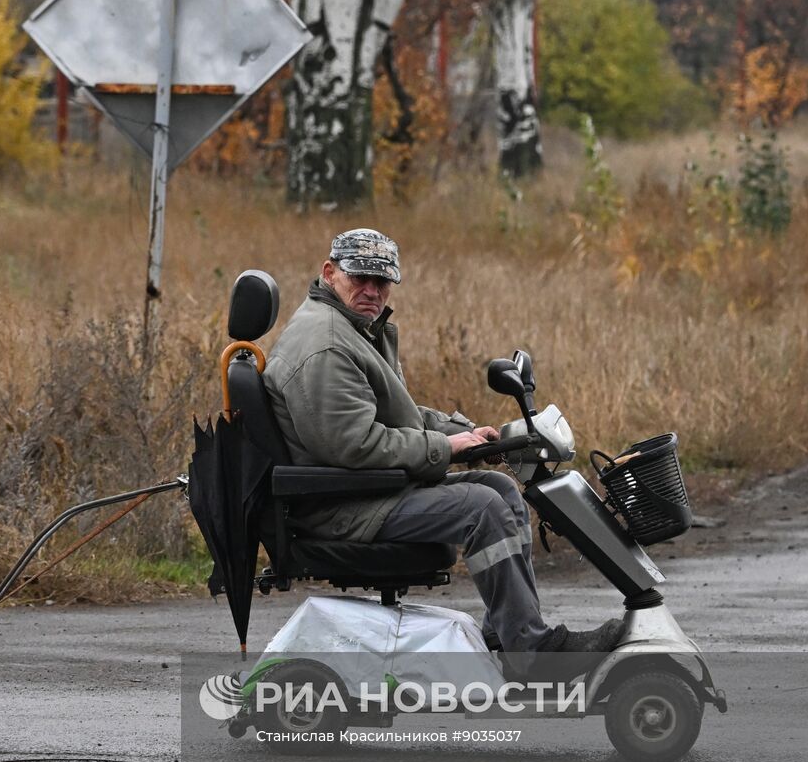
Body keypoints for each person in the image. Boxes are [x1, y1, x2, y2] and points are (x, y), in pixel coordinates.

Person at [261, 228, 622, 655]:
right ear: (330, 272)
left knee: (500, 489)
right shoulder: (326, 346)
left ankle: (507, 636)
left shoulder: (351, 329)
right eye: (360, 278)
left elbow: (397, 415)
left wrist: (462, 433)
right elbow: (353, 446)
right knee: (482, 508)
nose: (372, 291)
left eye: (382, 281)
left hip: (365, 492)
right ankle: (533, 652)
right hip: (341, 507)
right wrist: (445, 450)